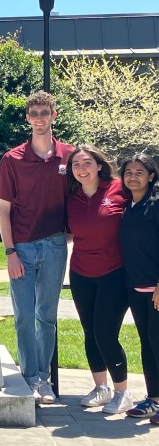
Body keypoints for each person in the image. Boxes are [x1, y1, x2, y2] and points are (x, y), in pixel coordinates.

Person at [0, 90, 74, 404]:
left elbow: (80, 196)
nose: (39, 118)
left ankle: (43, 378)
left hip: (54, 246)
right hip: (21, 248)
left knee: (47, 316)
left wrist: (72, 232)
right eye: (34, 113)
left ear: (54, 115)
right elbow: (3, 210)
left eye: (45, 113)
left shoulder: (69, 156)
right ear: (28, 118)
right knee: (24, 315)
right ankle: (29, 378)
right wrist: (9, 252)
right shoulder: (12, 159)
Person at [66, 145, 132, 413]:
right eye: (76, 165)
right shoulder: (72, 198)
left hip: (114, 273)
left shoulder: (119, 190)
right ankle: (101, 388)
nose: (82, 169)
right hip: (81, 273)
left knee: (106, 333)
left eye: (86, 163)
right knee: (90, 333)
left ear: (99, 165)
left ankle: (122, 392)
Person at [119, 153, 159, 424]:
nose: (133, 176)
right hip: (135, 287)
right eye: (129, 172)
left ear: (151, 176)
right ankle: (153, 400)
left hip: (156, 290)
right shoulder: (128, 206)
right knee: (147, 344)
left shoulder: (156, 205)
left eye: (139, 172)